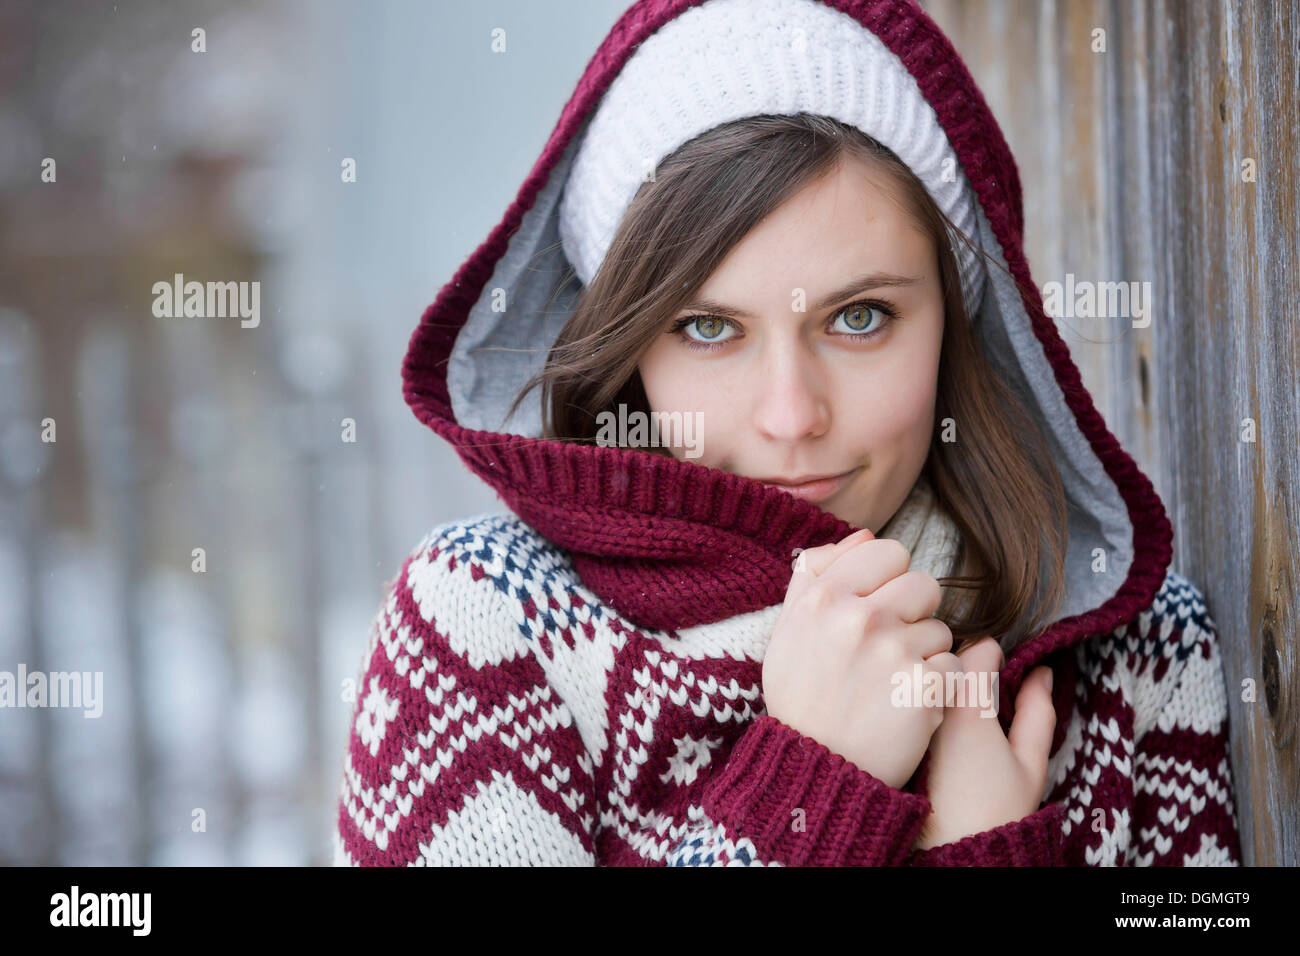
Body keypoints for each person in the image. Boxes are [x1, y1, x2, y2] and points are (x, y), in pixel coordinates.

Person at [334, 0, 1243, 866]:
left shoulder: (1131, 652)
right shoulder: (485, 627)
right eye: (707, 328)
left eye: (859, 319)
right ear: (626, 344)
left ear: (959, 322)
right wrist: (813, 787)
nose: (791, 416)